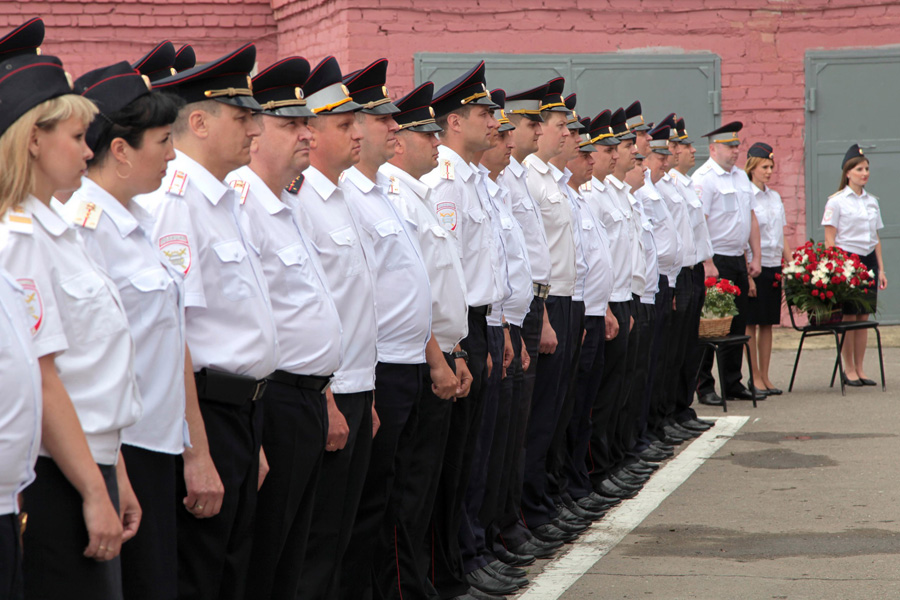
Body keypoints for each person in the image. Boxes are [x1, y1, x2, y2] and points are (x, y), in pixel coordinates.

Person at [68, 60, 224, 600]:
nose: (173, 154)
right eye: (162, 141)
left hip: (159, 445)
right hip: (123, 449)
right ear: (119, 150)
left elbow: (170, 339)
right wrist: (117, 472)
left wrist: (194, 448)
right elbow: (81, 363)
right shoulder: (84, 229)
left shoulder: (140, 224)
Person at [0, 52, 143, 599]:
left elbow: (93, 378)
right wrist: (92, 488)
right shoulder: (19, 240)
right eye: (78, 135)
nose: (90, 150)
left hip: (92, 460)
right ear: (33, 139)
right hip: (56, 473)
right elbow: (43, 377)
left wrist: (115, 472)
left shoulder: (57, 228)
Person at [139, 43, 278, 600]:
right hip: (207, 413)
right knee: (202, 570)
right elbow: (175, 336)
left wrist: (254, 431)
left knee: (232, 568)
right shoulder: (178, 202)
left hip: (242, 412)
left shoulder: (223, 199)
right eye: (244, 119)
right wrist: (198, 452)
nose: (255, 131)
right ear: (198, 121)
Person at [225, 56, 343, 600]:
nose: (305, 132)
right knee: (266, 554)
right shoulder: (243, 204)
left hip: (307, 398)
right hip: (274, 401)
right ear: (255, 135)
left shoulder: (286, 203)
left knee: (294, 550)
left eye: (305, 123)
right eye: (289, 124)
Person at [339, 58, 436, 600]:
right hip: (378, 367)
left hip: (405, 362)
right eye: (383, 119)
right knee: (379, 500)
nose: (394, 127)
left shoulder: (380, 192)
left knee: (403, 491)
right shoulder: (344, 193)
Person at [379, 81, 473, 599]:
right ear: (398, 141)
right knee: (407, 493)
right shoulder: (396, 196)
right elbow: (404, 297)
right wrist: (441, 356)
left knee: (431, 487)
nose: (437, 141)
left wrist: (453, 352)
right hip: (412, 360)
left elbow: (435, 286)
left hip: (437, 352)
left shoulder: (411, 196)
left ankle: (425, 582)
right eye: (425, 132)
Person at [291, 56, 377, 600]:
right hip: (327, 392)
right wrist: (328, 400)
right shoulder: (302, 203)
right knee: (318, 541)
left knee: (349, 531)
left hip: (357, 385)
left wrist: (363, 394)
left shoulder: (346, 197)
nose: (358, 133)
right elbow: (307, 315)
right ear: (312, 134)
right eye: (345, 125)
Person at [693, 121, 763, 404]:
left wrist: (754, 256)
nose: (735, 151)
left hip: (736, 259)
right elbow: (701, 223)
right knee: (711, 324)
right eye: (729, 146)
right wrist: (707, 261)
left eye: (737, 146)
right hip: (715, 259)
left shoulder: (740, 178)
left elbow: (751, 218)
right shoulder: (704, 178)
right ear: (713, 148)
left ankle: (733, 382)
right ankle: (705, 386)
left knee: (736, 323)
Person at [822, 143, 887, 387]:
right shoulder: (837, 201)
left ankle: (860, 368)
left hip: (868, 260)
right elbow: (830, 239)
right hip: (847, 260)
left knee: (863, 316)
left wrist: (881, 269)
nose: (865, 173)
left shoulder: (872, 202)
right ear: (847, 172)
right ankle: (847, 368)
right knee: (849, 317)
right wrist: (837, 269)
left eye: (867, 168)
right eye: (859, 168)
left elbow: (876, 237)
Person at [744, 142, 790, 395]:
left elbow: (781, 234)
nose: (769, 171)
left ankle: (766, 375)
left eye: (771, 166)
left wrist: (790, 263)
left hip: (773, 264)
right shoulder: (746, 195)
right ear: (752, 167)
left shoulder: (774, 196)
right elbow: (742, 237)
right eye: (765, 166)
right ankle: (754, 376)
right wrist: (747, 275)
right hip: (755, 267)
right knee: (751, 323)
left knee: (768, 324)